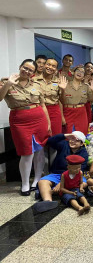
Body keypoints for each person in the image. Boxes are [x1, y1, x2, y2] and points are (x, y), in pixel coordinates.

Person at [0, 59, 51, 195]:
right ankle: (25, 183)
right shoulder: (6, 82)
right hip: (19, 121)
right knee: (26, 153)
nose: (26, 71)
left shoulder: (36, 84)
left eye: (30, 70)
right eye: (25, 68)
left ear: (33, 73)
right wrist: (9, 84)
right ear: (20, 67)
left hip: (38, 118)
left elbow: (43, 105)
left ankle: (37, 179)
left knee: (39, 150)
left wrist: (48, 123)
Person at [34, 131, 88, 213]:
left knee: (84, 183)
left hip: (75, 176)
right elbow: (49, 141)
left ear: (81, 144)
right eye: (72, 139)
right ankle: (48, 201)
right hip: (57, 174)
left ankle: (56, 190)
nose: (73, 141)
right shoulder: (64, 144)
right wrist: (65, 135)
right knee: (42, 181)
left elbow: (81, 169)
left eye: (76, 140)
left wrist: (63, 182)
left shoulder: (83, 153)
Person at [61, 65, 93, 135]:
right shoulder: (65, 84)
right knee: (68, 134)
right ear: (73, 73)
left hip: (81, 112)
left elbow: (92, 100)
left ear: (84, 76)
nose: (79, 73)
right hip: (68, 112)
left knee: (82, 133)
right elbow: (60, 101)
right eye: (78, 71)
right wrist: (62, 89)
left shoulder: (86, 87)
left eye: (82, 72)